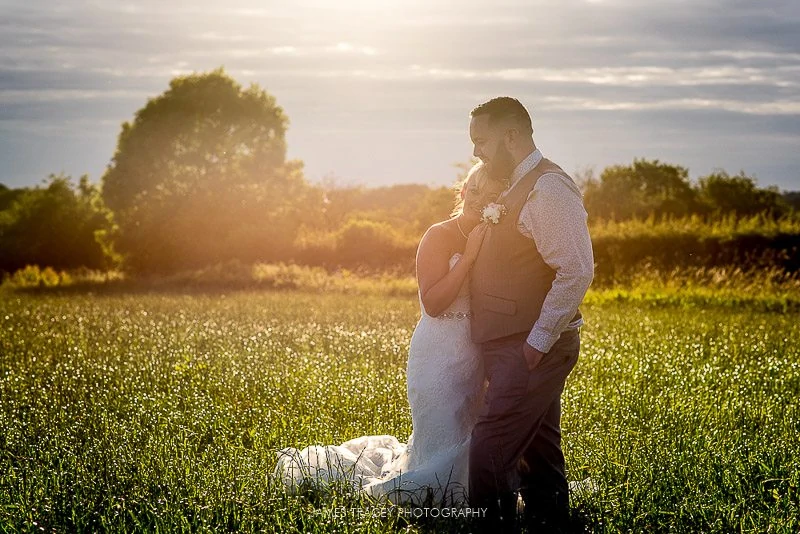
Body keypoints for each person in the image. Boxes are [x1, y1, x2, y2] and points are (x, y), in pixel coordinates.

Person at [275, 163, 505, 506]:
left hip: (478, 352)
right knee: (443, 432)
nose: (477, 198)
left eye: (488, 194)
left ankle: (478, 488)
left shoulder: (498, 240)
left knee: (474, 427)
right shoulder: (438, 235)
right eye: (473, 189)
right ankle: (437, 487)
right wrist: (469, 257)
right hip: (438, 355)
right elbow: (434, 303)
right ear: (461, 192)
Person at [466, 97, 594, 532]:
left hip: (532, 345)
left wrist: (537, 343)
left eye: (481, 141)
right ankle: (550, 519)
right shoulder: (510, 183)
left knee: (490, 441)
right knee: (537, 445)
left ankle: (488, 526)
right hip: (512, 340)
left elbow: (576, 270)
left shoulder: (549, 189)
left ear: (513, 136)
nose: (476, 152)